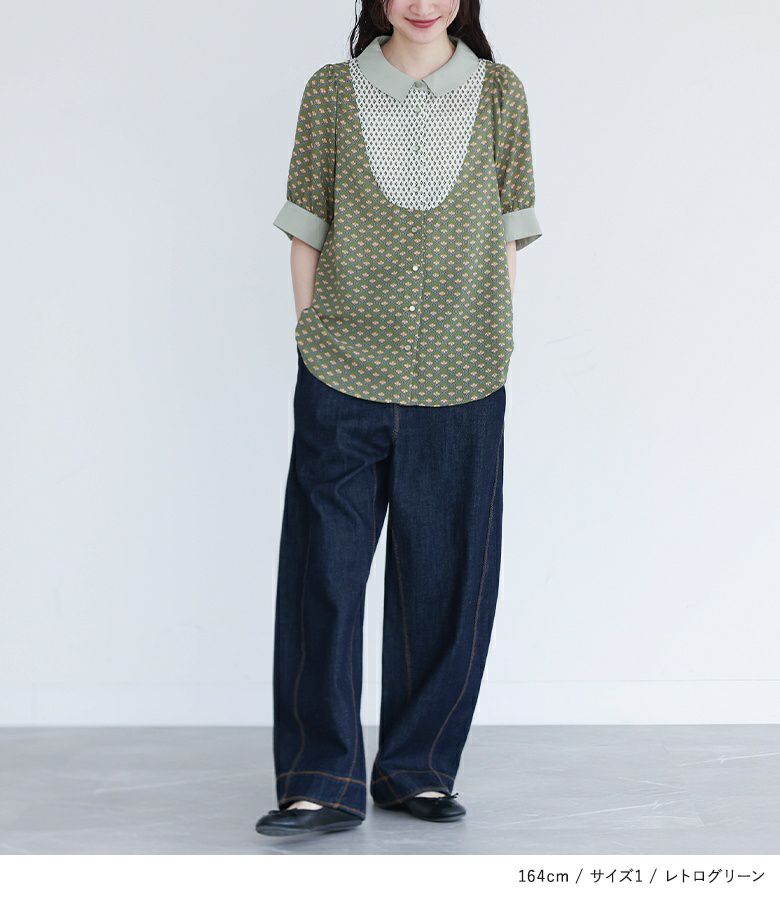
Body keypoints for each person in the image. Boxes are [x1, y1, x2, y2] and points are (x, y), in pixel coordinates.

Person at [256, 0, 542, 837]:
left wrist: (494, 337)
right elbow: (306, 225)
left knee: (447, 579)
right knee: (323, 575)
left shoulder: (500, 93)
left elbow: (510, 229)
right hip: (343, 368)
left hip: (464, 370)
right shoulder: (332, 91)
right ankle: (318, 780)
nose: (423, 2)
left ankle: (418, 769)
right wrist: (311, 333)